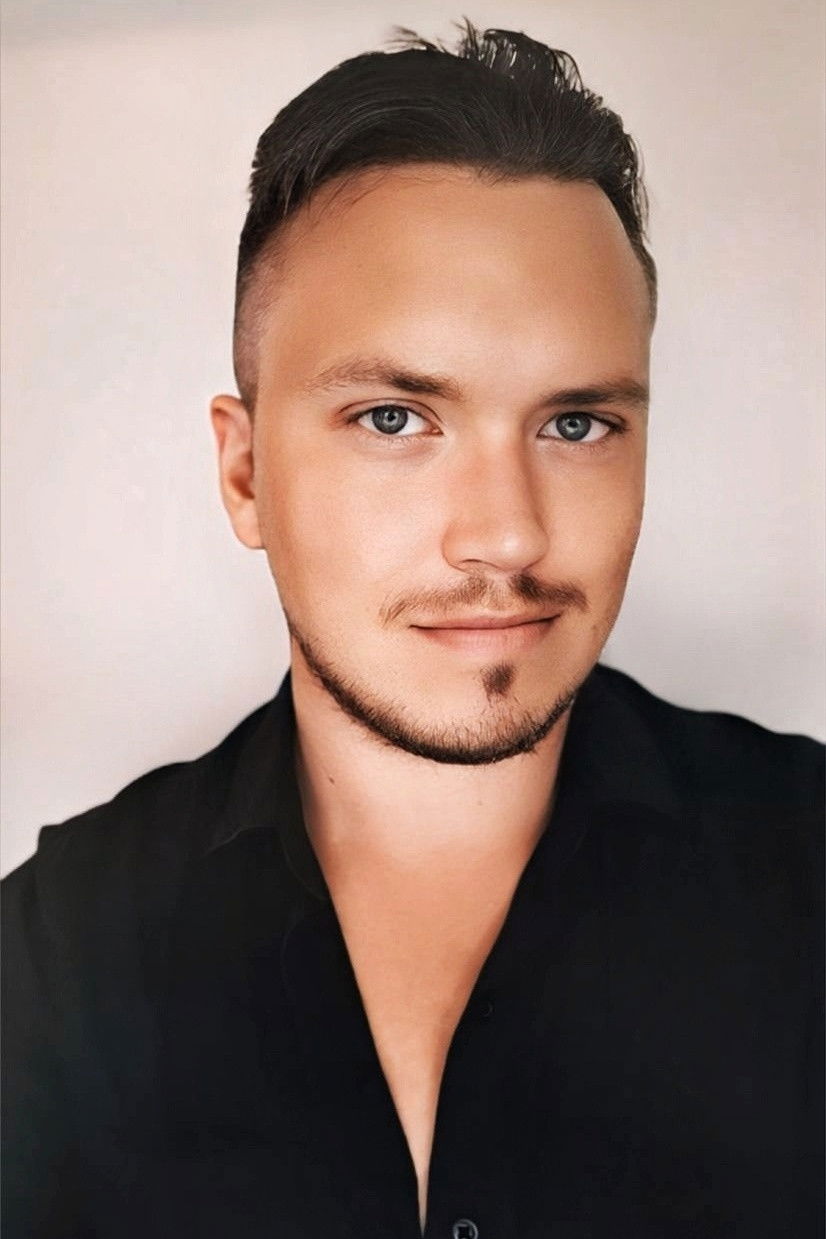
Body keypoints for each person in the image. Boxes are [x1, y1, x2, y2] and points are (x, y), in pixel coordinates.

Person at [2, 21, 822, 1239]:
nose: (506, 537)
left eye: (577, 425)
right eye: (394, 418)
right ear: (243, 475)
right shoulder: (47, 967)